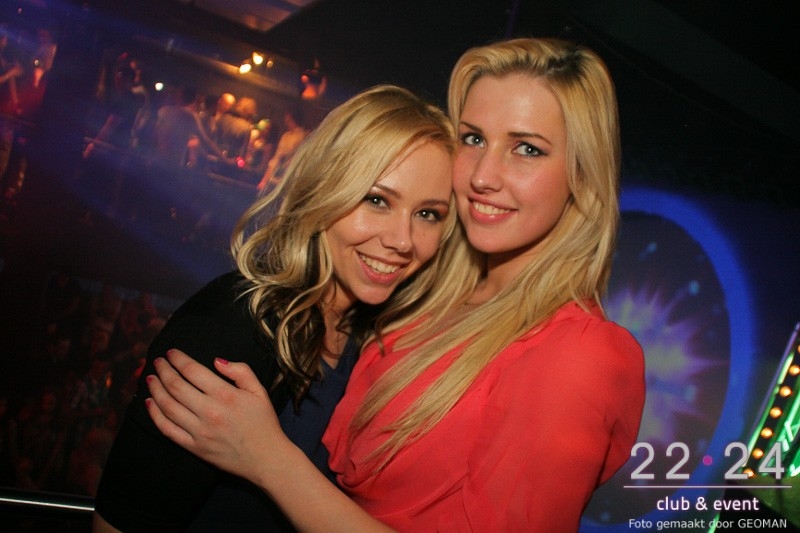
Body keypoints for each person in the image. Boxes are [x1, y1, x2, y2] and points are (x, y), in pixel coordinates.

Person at [145, 37, 646, 531]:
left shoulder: (580, 354)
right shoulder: (422, 299)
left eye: (527, 149)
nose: (483, 176)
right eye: (473, 139)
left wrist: (270, 460)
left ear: (582, 174)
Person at [92, 84, 457, 532]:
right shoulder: (235, 325)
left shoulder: (371, 336)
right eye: (377, 200)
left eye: (428, 214)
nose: (403, 241)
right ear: (325, 189)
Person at [256, 109, 307, 191]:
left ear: (289, 117)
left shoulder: (302, 136)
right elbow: (275, 159)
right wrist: (264, 180)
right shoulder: (286, 136)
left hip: (286, 183)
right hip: (274, 180)